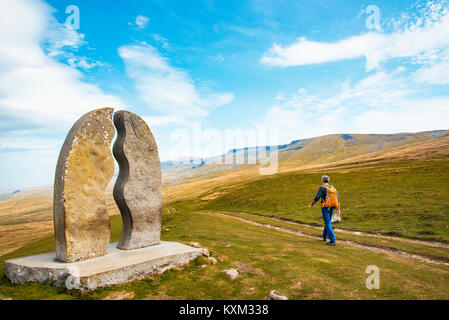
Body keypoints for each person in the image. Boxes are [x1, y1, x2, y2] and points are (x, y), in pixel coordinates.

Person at [308, 175, 340, 246]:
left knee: (328, 223)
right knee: (327, 222)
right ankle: (325, 237)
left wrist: (311, 204)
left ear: (322, 180)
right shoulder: (333, 188)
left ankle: (332, 240)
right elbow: (338, 199)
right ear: (328, 181)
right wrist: (338, 209)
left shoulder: (322, 187)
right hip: (332, 206)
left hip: (325, 207)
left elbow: (317, 197)